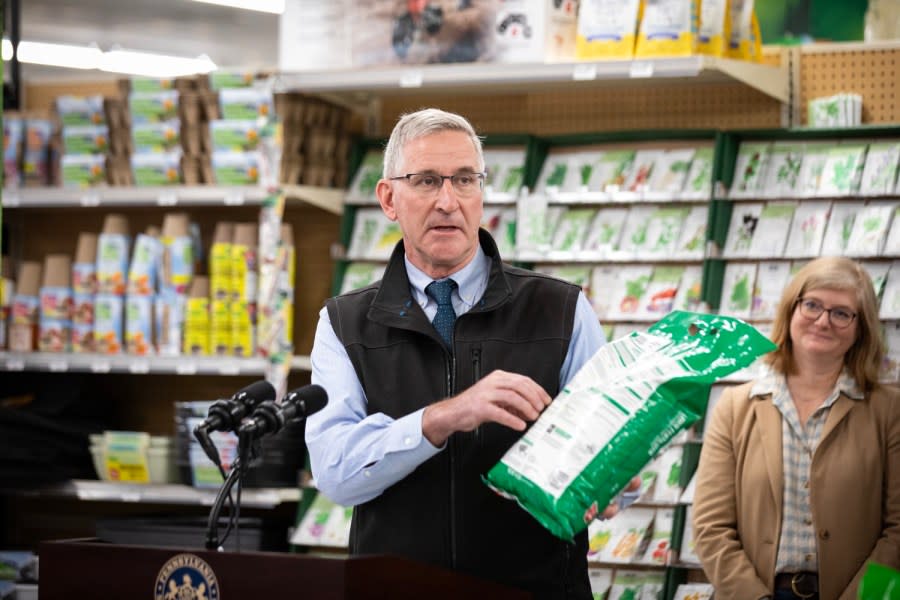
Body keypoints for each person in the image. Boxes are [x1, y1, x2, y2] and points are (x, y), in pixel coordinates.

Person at [305, 108, 638, 600]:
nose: (447, 201)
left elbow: (618, 456)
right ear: (388, 198)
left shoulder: (561, 308)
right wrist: (441, 419)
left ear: (481, 193)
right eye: (425, 181)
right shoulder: (344, 323)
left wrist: (613, 481)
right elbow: (336, 474)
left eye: (464, 179)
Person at [692, 256, 900, 600]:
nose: (823, 321)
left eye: (841, 313)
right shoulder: (736, 406)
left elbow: (898, 532)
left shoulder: (888, 411)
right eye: (812, 305)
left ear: (860, 328)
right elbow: (709, 527)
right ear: (791, 310)